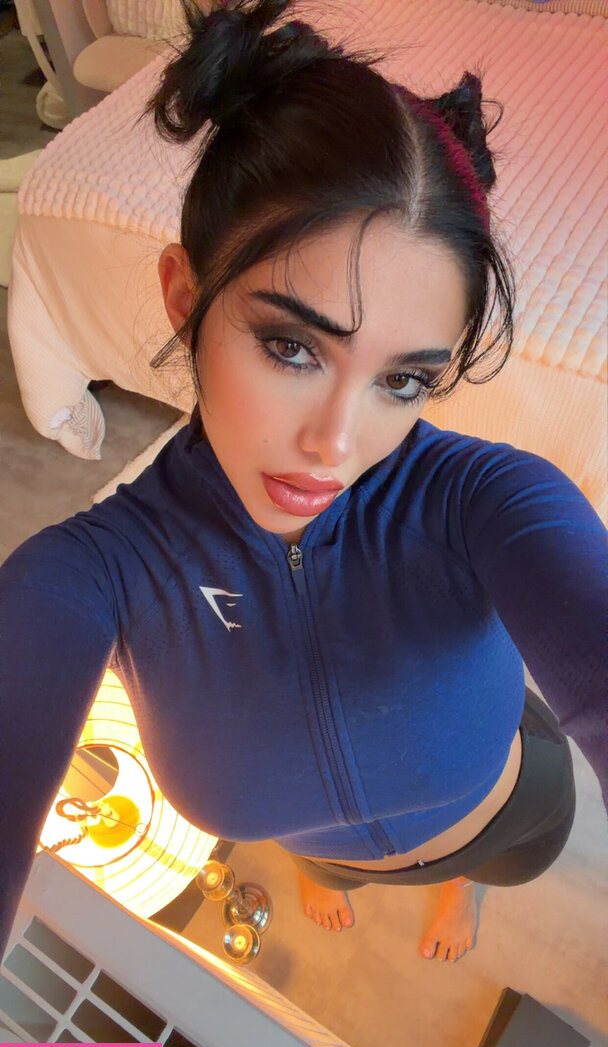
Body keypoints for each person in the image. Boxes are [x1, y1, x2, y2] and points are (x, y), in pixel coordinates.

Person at [1, 0, 606, 968]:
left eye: (402, 381)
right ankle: (339, 873)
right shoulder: (87, 577)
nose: (335, 444)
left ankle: (455, 887)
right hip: (323, 854)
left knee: (485, 866)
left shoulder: (492, 501)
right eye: (291, 347)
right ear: (184, 298)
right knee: (330, 865)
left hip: (505, 822)